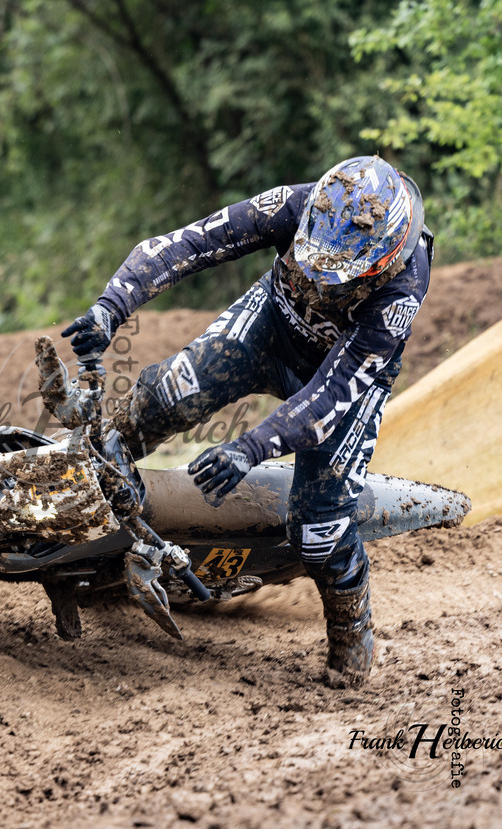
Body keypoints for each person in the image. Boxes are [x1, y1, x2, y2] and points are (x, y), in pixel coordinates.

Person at [62, 155, 432, 687]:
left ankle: (352, 630)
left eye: (335, 275)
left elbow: (328, 398)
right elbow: (188, 243)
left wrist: (252, 446)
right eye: (309, 262)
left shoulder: (401, 292)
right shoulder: (301, 204)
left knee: (319, 530)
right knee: (168, 393)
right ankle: (77, 468)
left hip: (340, 378)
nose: (317, 283)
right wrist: (111, 306)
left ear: (381, 263)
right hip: (269, 326)